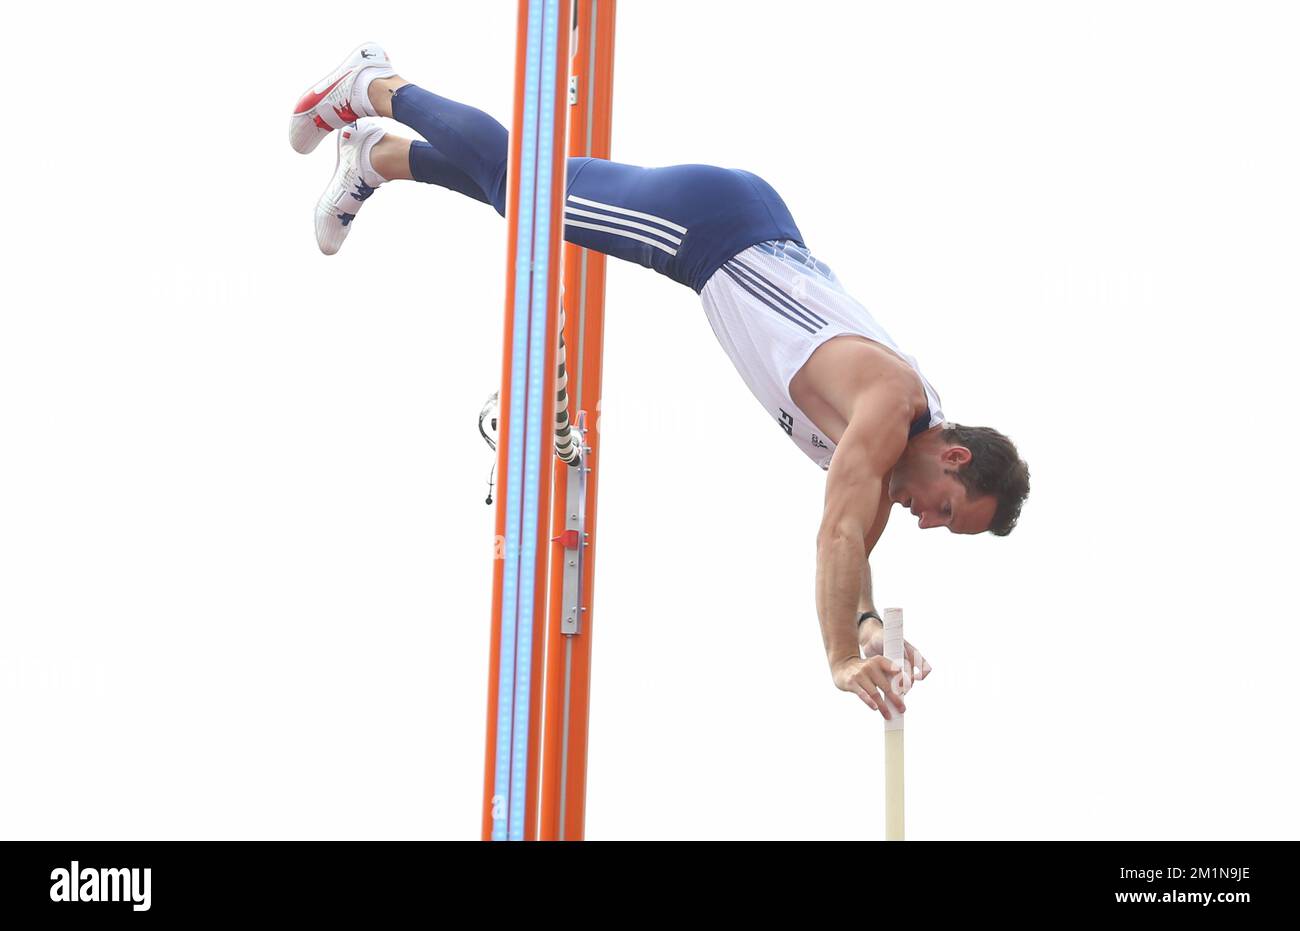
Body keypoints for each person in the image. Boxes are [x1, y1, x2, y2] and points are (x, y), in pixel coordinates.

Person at [289, 43, 1031, 720]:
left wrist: (869, 628)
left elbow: (855, 546)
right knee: (529, 188)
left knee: (525, 190)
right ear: (955, 457)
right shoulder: (890, 406)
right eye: (944, 510)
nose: (926, 522)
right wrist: (839, 658)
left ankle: (379, 157)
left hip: (742, 227)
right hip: (711, 230)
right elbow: (839, 534)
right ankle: (376, 84)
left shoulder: (886, 447)